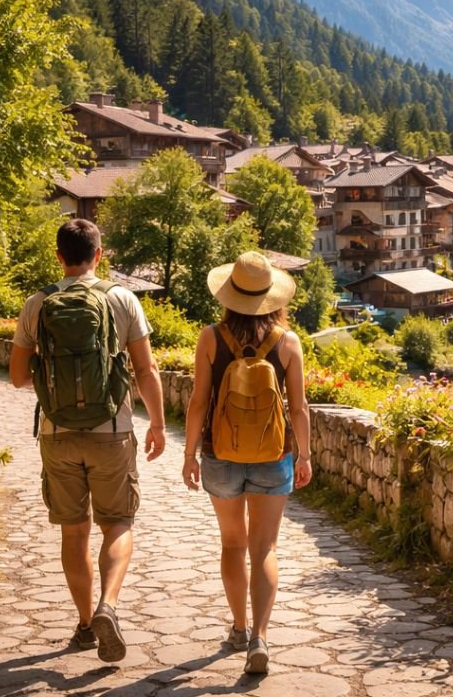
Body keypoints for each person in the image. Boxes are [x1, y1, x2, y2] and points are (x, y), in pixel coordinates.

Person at [9, 219, 167, 662]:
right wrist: (157, 424)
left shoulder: (37, 303)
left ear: (59, 256)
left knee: (74, 532)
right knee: (118, 523)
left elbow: (18, 377)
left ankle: (83, 625)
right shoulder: (122, 299)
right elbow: (146, 370)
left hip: (57, 434)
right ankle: (107, 606)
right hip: (111, 433)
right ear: (99, 254)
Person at [182, 251, 312, 675]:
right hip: (274, 455)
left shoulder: (210, 337)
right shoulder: (288, 342)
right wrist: (305, 455)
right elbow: (299, 408)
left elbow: (198, 401)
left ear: (230, 295)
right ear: (272, 298)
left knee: (232, 545)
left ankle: (238, 628)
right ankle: (260, 636)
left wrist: (189, 455)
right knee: (265, 547)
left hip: (220, 453)